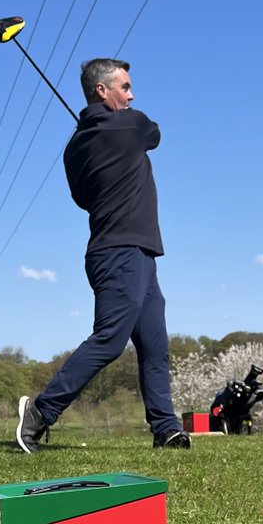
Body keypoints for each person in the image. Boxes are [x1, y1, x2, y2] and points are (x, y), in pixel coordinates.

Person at [16, 57, 190, 452]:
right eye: (125, 87)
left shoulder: (75, 146)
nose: (131, 94)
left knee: (154, 346)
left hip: (137, 255)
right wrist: (115, 132)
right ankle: (41, 411)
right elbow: (155, 135)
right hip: (120, 253)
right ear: (102, 90)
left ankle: (166, 429)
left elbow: (82, 199)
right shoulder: (131, 124)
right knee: (110, 340)